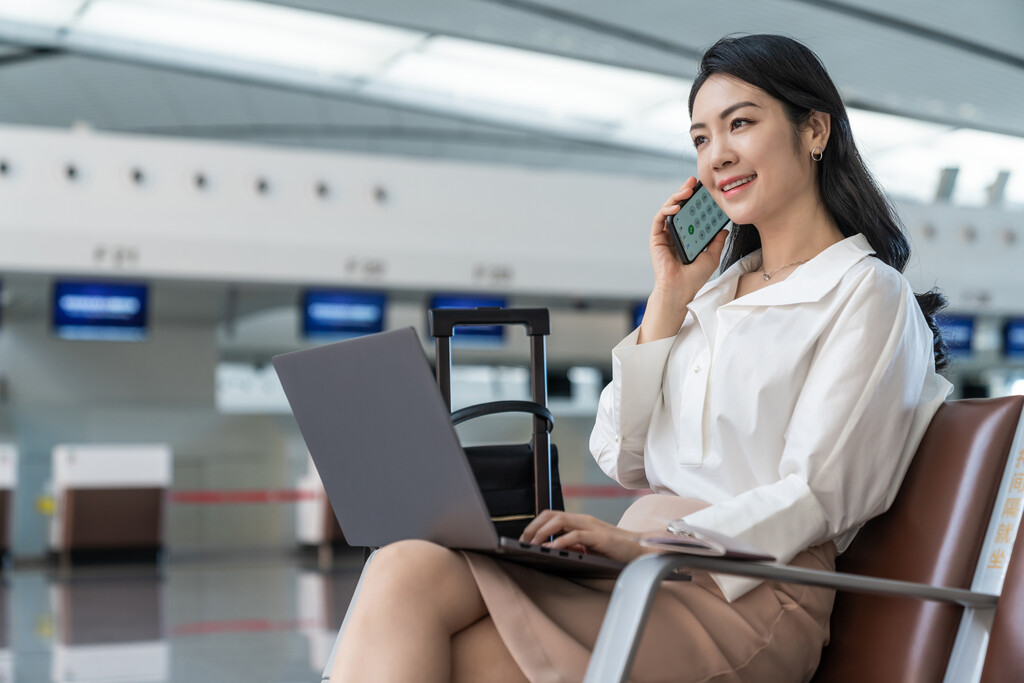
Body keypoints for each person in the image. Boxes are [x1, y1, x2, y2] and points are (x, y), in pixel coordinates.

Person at [329, 34, 952, 683]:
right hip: (638, 566)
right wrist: (670, 296)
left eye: (740, 123)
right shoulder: (711, 293)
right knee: (406, 562)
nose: (718, 156)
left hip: (747, 594)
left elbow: (819, 493)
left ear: (815, 129)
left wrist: (651, 543)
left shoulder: (867, 293)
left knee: (463, 663)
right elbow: (620, 453)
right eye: (701, 139)